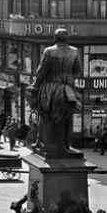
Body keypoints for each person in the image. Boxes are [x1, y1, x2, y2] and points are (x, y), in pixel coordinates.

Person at [29, 28, 82, 157]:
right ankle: (65, 145)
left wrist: (35, 86)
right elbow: (77, 70)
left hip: (51, 87)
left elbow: (42, 70)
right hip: (68, 89)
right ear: (67, 39)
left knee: (45, 114)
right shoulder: (74, 51)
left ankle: (43, 143)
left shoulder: (49, 51)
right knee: (67, 117)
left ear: (55, 38)